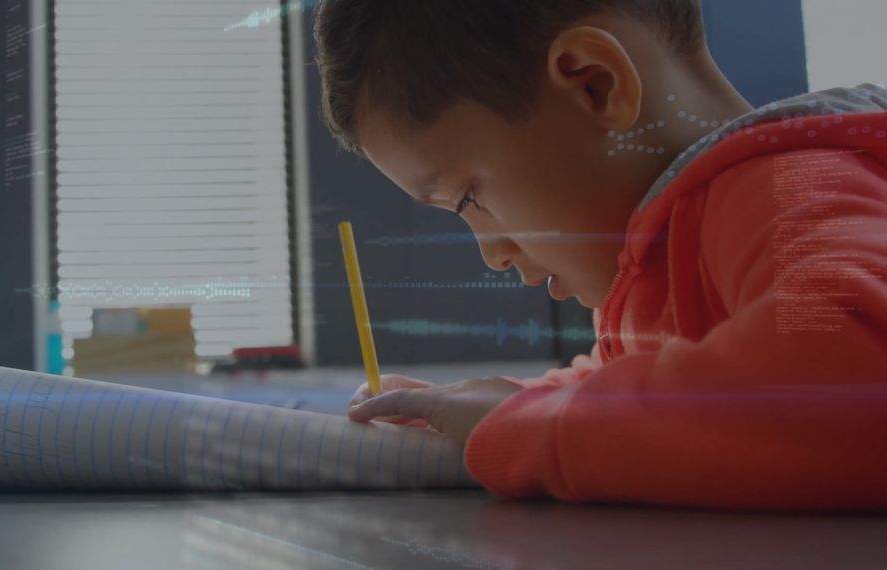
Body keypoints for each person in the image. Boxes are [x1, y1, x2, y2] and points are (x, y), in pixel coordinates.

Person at [316, 0, 887, 509]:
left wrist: (532, 429)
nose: (491, 252)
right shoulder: (667, 251)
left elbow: (854, 373)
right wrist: (502, 406)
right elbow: (653, 393)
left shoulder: (795, 187)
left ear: (595, 84)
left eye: (470, 198)